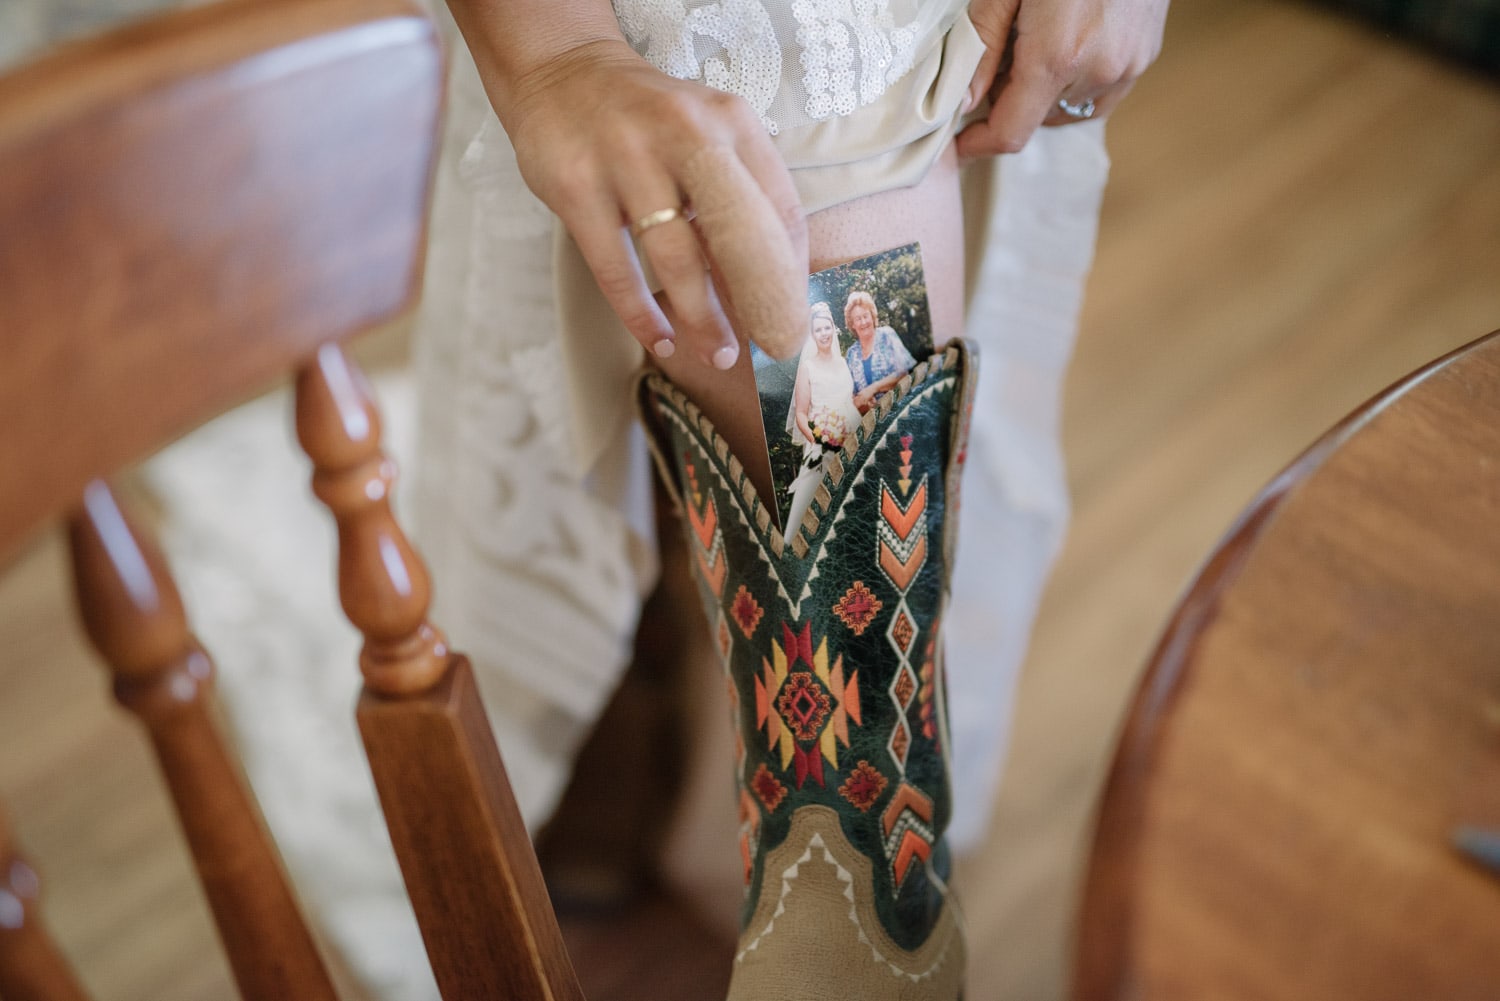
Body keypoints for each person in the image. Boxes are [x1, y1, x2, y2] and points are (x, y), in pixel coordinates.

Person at [784, 301, 864, 532]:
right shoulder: (807, 368)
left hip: (850, 437)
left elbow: (851, 401)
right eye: (818, 330)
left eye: (826, 328)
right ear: (812, 334)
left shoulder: (843, 362)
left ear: (833, 328)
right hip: (820, 441)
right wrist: (816, 441)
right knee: (811, 503)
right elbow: (800, 412)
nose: (824, 333)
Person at [842, 290, 918, 412]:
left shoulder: (887, 335)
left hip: (904, 409)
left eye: (865, 316)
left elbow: (904, 372)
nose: (863, 322)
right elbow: (855, 398)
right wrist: (866, 405)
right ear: (852, 325)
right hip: (876, 423)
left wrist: (873, 388)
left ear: (872, 316)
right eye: (858, 319)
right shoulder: (851, 354)